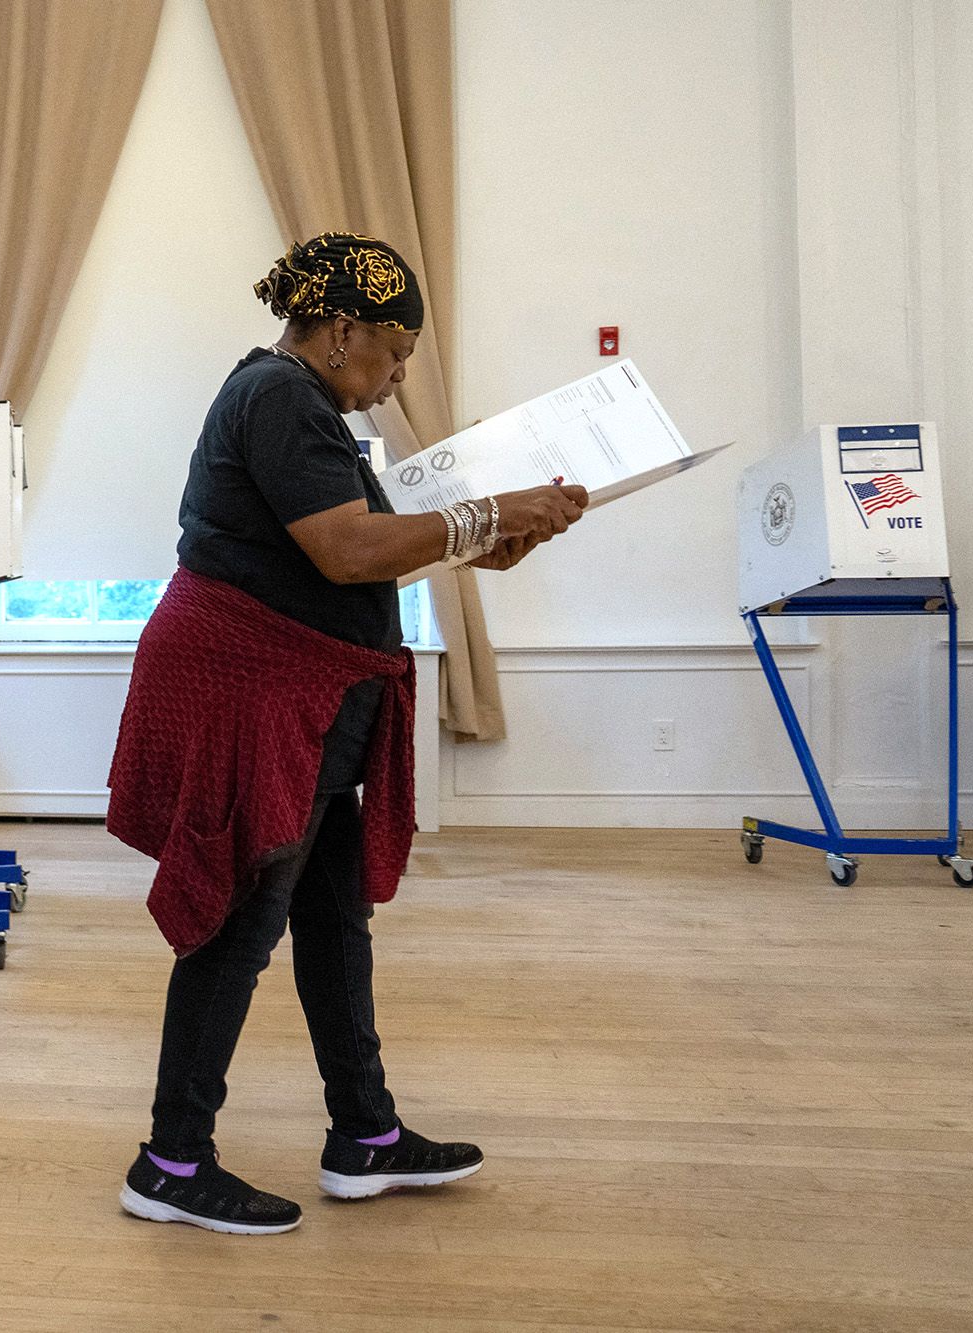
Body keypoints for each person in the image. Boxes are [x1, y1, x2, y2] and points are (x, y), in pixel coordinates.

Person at [107, 232, 590, 1236]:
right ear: (339, 331)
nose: (399, 372)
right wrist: (479, 515)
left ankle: (363, 1136)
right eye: (393, 350)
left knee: (330, 916)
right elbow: (346, 550)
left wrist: (499, 534)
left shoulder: (307, 408)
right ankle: (167, 1160)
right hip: (255, 691)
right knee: (238, 920)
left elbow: (375, 551)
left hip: (299, 694)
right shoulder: (278, 396)